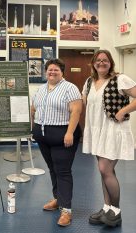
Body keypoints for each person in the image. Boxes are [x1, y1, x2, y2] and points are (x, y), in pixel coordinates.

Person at [82, 49, 136, 227]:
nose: (101, 63)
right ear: (93, 63)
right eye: (98, 60)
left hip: (113, 130)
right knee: (103, 171)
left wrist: (123, 110)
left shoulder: (120, 79)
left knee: (105, 169)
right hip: (97, 132)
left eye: (105, 60)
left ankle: (116, 211)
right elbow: (84, 102)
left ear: (110, 62)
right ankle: (106, 208)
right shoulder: (89, 82)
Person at [31, 58, 82, 227]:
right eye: (50, 70)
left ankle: (66, 210)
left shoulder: (70, 88)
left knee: (63, 171)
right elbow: (34, 109)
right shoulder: (41, 89)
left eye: (56, 70)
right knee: (52, 169)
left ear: (62, 72)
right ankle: (58, 199)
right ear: (46, 71)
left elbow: (76, 111)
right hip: (43, 137)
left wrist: (69, 133)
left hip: (63, 136)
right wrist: (33, 128)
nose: (52, 72)